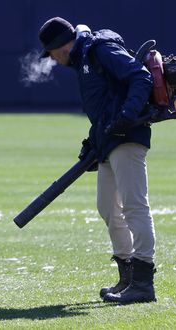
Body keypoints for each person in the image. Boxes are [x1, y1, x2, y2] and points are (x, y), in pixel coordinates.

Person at [38, 17, 156, 304]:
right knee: (108, 208)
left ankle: (143, 283)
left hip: (127, 137)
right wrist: (94, 141)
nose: (51, 59)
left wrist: (127, 117)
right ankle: (127, 276)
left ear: (60, 45)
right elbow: (105, 104)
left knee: (134, 206)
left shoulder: (98, 49)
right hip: (109, 141)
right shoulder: (84, 58)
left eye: (51, 52)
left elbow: (141, 76)